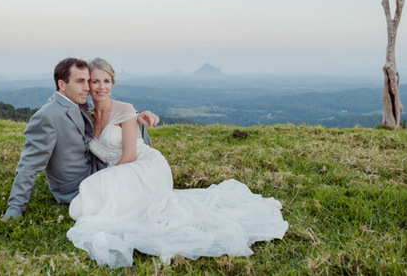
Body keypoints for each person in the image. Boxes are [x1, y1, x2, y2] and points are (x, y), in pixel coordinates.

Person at [66, 58, 288, 268]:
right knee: (96, 196)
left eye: (106, 81)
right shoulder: (89, 115)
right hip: (122, 170)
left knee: (98, 190)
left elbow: (129, 156)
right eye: (95, 81)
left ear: (112, 83)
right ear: (88, 84)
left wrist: (110, 181)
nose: (101, 87)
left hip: (143, 165)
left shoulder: (124, 109)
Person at [3, 58, 158, 220]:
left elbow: (107, 117)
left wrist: (134, 116)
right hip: (76, 188)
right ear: (62, 85)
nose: (87, 88)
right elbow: (28, 165)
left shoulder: (79, 104)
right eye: (80, 82)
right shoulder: (47, 116)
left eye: (87, 81)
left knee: (135, 131)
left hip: (97, 169)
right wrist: (15, 207)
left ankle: (147, 173)